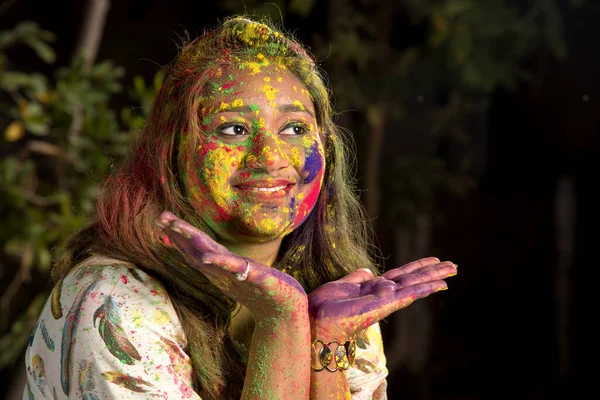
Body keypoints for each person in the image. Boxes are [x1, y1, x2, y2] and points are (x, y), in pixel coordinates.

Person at [23, 16, 457, 400]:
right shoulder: (115, 302)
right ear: (172, 153)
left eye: (293, 128)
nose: (270, 157)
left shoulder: (340, 303)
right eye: (233, 129)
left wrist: (325, 342)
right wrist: (281, 323)